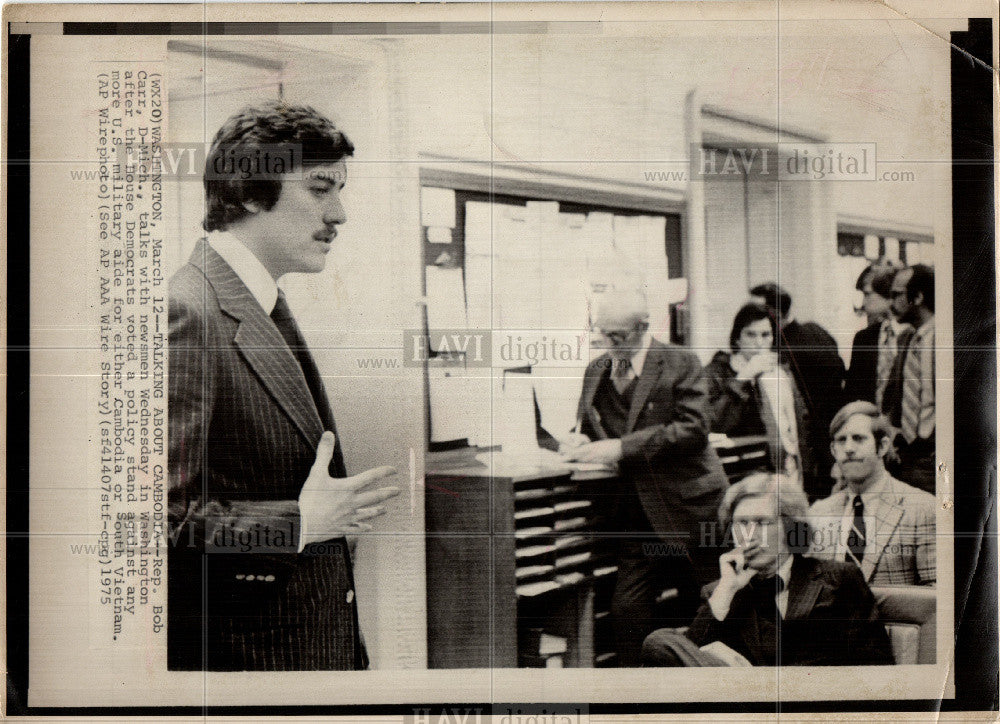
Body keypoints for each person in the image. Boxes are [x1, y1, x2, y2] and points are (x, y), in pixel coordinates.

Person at [168, 101, 401, 671]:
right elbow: (161, 520)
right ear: (249, 191)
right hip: (249, 670)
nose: (340, 213)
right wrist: (300, 523)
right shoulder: (188, 310)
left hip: (306, 647)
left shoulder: (262, 300)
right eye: (320, 188)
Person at [559, 289, 728, 667]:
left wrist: (622, 448)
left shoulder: (679, 362)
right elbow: (592, 426)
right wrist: (580, 438)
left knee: (702, 609)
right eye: (601, 333)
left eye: (616, 335)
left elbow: (693, 428)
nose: (607, 343)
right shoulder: (598, 369)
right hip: (637, 517)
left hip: (690, 511)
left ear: (643, 328)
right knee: (628, 614)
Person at [641, 473, 894, 667]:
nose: (750, 535)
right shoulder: (719, 592)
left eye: (762, 523)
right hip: (744, 713)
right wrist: (726, 592)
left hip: (813, 709)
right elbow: (687, 664)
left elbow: (876, 664)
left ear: (790, 528)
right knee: (658, 641)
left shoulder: (839, 578)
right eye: (741, 523)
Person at [809, 401, 936, 586]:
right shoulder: (819, 513)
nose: (849, 448)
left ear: (883, 446)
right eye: (841, 440)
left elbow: (935, 599)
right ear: (833, 450)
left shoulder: (923, 508)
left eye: (858, 438)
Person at [750, 282, 845, 499]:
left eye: (758, 312)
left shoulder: (779, 351)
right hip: (831, 438)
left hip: (808, 447)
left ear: (773, 314)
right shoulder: (816, 331)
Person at [703, 303, 811, 480]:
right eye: (751, 334)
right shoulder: (717, 372)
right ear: (737, 338)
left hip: (785, 466)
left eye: (765, 335)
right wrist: (742, 379)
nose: (759, 343)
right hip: (740, 469)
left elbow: (800, 421)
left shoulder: (781, 372)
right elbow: (714, 420)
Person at [885, 265, 936, 493]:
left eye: (897, 295)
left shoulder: (948, 338)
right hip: (906, 457)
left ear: (918, 297)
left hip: (933, 459)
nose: (890, 303)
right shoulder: (908, 339)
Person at [844, 260, 904, 407]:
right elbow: (852, 394)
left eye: (867, 294)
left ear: (888, 293)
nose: (863, 302)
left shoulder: (914, 335)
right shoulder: (863, 338)